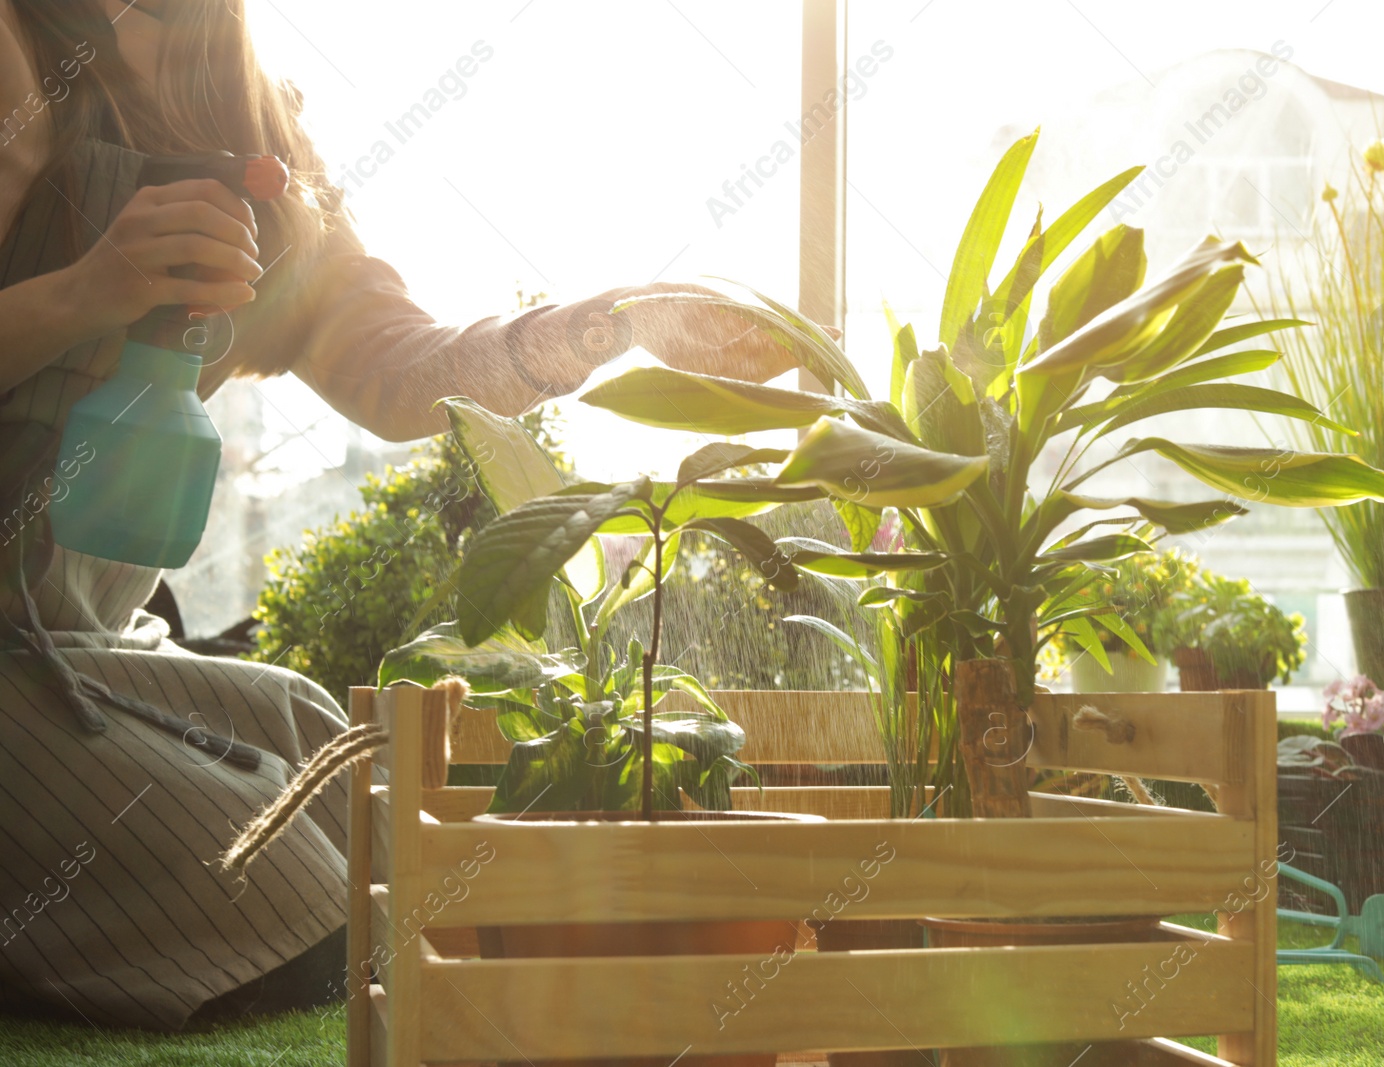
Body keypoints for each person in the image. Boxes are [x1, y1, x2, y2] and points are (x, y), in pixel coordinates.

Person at [0, 0, 795, 1030]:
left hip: (77, 638)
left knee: (351, 789)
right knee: (285, 889)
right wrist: (86, 291)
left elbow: (396, 371)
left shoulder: (245, 108)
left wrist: (612, 322)